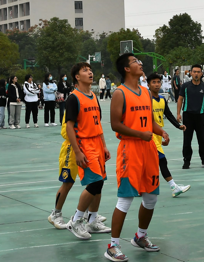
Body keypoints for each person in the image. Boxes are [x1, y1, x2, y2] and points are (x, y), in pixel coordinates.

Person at [105, 53, 168, 261]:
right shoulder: (120, 93)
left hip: (148, 150)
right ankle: (113, 246)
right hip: (130, 150)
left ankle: (140, 236)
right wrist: (140, 134)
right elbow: (115, 124)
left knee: (151, 197)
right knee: (125, 199)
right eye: (134, 62)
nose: (140, 64)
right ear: (126, 69)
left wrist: (161, 131)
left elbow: (149, 121)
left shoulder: (145, 92)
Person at [48, 76, 107, 231]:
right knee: (68, 181)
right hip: (72, 147)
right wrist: (77, 147)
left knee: (95, 180)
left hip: (89, 146)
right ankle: (56, 213)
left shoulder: (91, 98)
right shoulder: (74, 101)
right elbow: (67, 129)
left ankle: (91, 215)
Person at [64, 62, 112, 240]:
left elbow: (97, 123)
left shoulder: (93, 96)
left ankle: (92, 220)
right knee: (95, 182)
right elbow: (69, 127)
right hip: (84, 144)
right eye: (85, 71)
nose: (90, 73)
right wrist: (77, 151)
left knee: (100, 182)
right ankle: (76, 220)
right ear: (77, 77)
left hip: (97, 143)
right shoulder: (73, 98)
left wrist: (104, 145)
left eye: (90, 70)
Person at [147, 73, 190, 197]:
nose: (156, 84)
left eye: (158, 82)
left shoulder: (162, 99)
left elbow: (169, 114)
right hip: (150, 135)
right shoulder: (146, 100)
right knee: (162, 160)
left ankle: (139, 187)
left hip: (159, 134)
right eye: (153, 82)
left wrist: (178, 126)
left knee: (149, 163)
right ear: (148, 85)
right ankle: (174, 187)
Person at [177, 64, 204, 169]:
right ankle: (186, 161)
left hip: (200, 116)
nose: (196, 74)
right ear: (191, 73)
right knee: (187, 140)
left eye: (198, 72)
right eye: (194, 72)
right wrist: (178, 113)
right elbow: (180, 99)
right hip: (187, 116)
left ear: (201, 74)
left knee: (202, 140)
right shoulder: (185, 86)